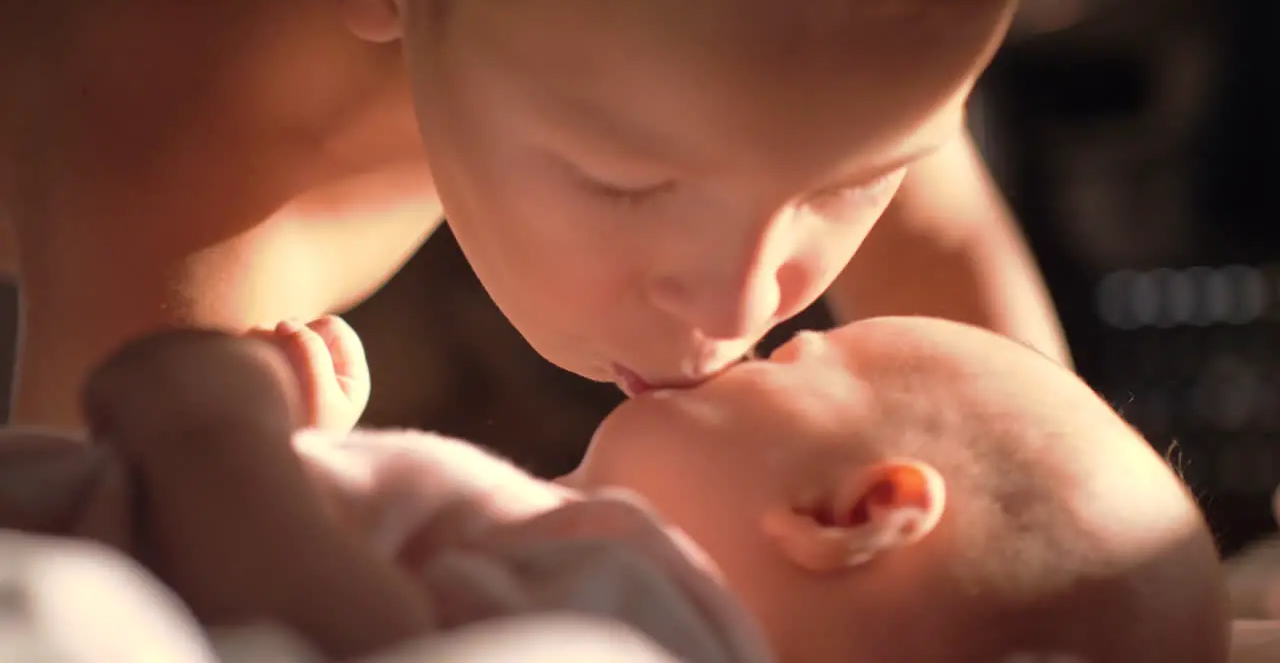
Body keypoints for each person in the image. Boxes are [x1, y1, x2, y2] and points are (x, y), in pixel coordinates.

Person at [0, 0, 1067, 430]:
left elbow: (964, 290)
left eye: (858, 177)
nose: (744, 307)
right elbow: (94, 594)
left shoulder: (777, 50)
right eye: (627, 182)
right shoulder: (187, 165)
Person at [0, 316, 1225, 662]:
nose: (741, 341)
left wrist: (214, 437)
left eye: (792, 358)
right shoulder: (601, 573)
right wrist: (316, 468)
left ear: (849, 513)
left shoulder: (648, 625)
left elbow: (331, 638)